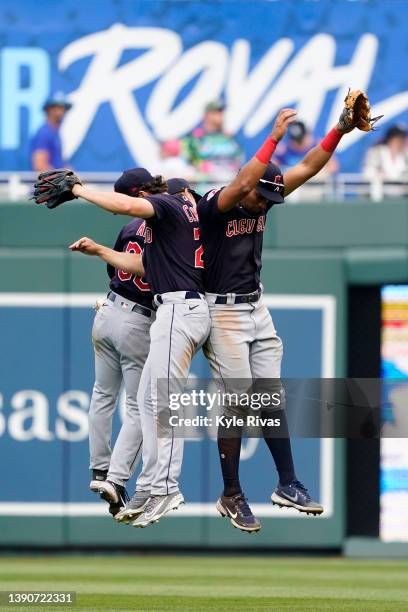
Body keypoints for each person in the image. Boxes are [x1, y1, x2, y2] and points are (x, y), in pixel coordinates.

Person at [198, 105, 359, 533]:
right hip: (222, 309)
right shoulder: (222, 202)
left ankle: (288, 482)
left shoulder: (262, 193)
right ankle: (231, 493)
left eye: (271, 197)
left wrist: (339, 129)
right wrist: (272, 137)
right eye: (260, 195)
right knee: (238, 398)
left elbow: (308, 165)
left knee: (270, 396)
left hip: (255, 306)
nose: (264, 204)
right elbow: (245, 182)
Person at [64, 170, 211, 528]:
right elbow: (144, 265)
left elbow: (135, 252)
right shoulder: (193, 224)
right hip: (149, 315)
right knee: (143, 403)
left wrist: (80, 191)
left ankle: (119, 475)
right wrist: (100, 250)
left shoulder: (147, 220)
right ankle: (129, 481)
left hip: (123, 309)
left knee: (123, 398)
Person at [69, 169, 159, 518]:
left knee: (102, 395)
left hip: (107, 310)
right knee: (138, 406)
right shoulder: (162, 224)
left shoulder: (127, 228)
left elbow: (115, 269)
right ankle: (116, 479)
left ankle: (98, 468)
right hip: (138, 319)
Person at [182, 100, 244, 184]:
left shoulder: (230, 138)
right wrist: (206, 168)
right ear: (206, 116)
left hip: (228, 183)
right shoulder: (195, 138)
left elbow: (239, 159)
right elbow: (189, 162)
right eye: (215, 112)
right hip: (204, 186)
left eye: (221, 112)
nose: (220, 116)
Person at [274, 120, 338, 177]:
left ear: (307, 135)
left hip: (315, 184)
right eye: (295, 141)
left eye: (300, 141)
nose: (298, 144)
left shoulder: (319, 145)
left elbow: (333, 167)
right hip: (293, 185)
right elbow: (272, 170)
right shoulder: (283, 149)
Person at [30, 93, 72, 172]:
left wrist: (73, 177)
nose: (62, 111)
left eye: (64, 108)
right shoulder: (44, 133)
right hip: (49, 183)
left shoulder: (55, 133)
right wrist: (64, 181)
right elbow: (40, 166)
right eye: (59, 107)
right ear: (49, 109)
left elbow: (60, 164)